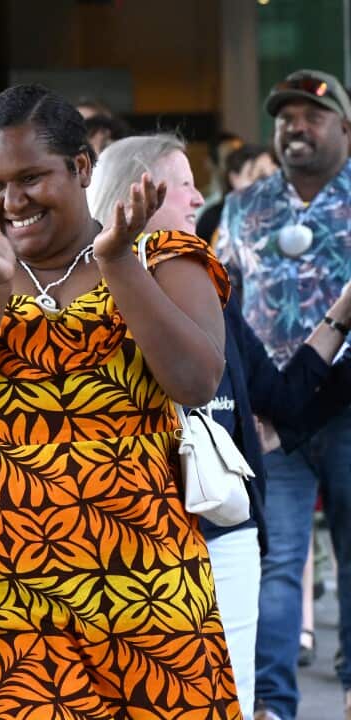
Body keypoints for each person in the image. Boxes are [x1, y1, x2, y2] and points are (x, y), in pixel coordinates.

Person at [0, 84, 240, 718]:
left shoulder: (160, 258)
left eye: (30, 178)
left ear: (81, 168)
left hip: (143, 579)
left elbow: (197, 383)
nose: (10, 202)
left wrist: (118, 267)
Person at [89, 132, 351, 720]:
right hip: (131, 536)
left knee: (226, 698)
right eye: (182, 184)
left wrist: (343, 314)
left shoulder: (209, 283)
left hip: (225, 526)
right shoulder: (85, 292)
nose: (195, 198)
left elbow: (284, 398)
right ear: (137, 194)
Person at [215, 69, 351, 720]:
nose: (297, 126)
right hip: (274, 412)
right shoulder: (245, 207)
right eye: (285, 117)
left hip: (350, 409)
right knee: (278, 555)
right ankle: (272, 702)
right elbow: (223, 303)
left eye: (313, 116)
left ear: (345, 129)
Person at [195, 143, 278, 244]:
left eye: (274, 175)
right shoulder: (213, 219)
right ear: (234, 178)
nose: (267, 184)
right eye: (259, 176)